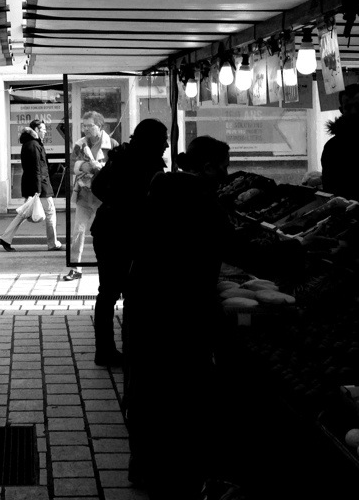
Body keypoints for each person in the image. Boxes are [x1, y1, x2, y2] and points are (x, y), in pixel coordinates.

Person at [128, 135, 234, 498]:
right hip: (182, 306)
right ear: (207, 167)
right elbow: (229, 242)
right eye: (222, 167)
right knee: (180, 387)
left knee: (147, 385)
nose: (226, 174)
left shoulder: (161, 190)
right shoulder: (201, 199)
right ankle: (172, 470)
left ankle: (145, 465)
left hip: (147, 301)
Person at [87, 119, 167, 365]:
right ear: (152, 140)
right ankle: (128, 350)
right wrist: (127, 206)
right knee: (130, 293)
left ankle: (106, 350)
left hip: (107, 229)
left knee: (108, 293)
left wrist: (115, 203)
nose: (166, 145)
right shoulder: (147, 162)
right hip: (126, 234)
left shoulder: (120, 156)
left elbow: (97, 186)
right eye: (163, 139)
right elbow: (153, 200)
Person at [63, 111, 118, 281]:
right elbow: (71, 163)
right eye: (84, 125)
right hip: (84, 195)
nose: (86, 129)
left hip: (104, 197)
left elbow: (118, 169)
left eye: (90, 125)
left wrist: (99, 168)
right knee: (78, 232)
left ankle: (111, 267)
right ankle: (75, 268)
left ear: (100, 126)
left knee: (107, 233)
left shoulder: (112, 144)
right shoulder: (80, 144)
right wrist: (82, 166)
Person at [0, 118, 62, 252]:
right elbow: (36, 169)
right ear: (37, 130)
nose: (45, 132)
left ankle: (5, 238)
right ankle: (52, 243)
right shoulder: (33, 145)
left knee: (24, 212)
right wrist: (37, 190)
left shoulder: (31, 143)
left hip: (35, 185)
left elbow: (38, 167)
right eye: (43, 129)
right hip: (40, 186)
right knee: (50, 212)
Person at [320, 83, 359, 203]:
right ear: (341, 110)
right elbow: (330, 188)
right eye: (348, 107)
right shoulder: (332, 147)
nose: (354, 112)